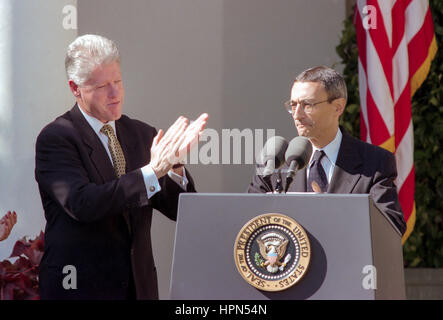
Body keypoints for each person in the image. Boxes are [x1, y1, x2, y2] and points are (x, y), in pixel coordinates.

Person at [34, 34, 208, 300]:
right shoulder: (57, 138)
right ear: (75, 88)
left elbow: (180, 211)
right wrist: (153, 171)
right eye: (102, 86)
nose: (115, 93)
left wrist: (175, 166)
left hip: (139, 289)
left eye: (117, 81)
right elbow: (83, 203)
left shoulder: (141, 133)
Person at [248, 66, 406, 235]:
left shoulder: (375, 162)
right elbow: (245, 218)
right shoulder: (275, 161)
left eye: (307, 105)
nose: (297, 115)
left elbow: (392, 227)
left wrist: (330, 211)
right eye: (293, 105)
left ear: (338, 107)